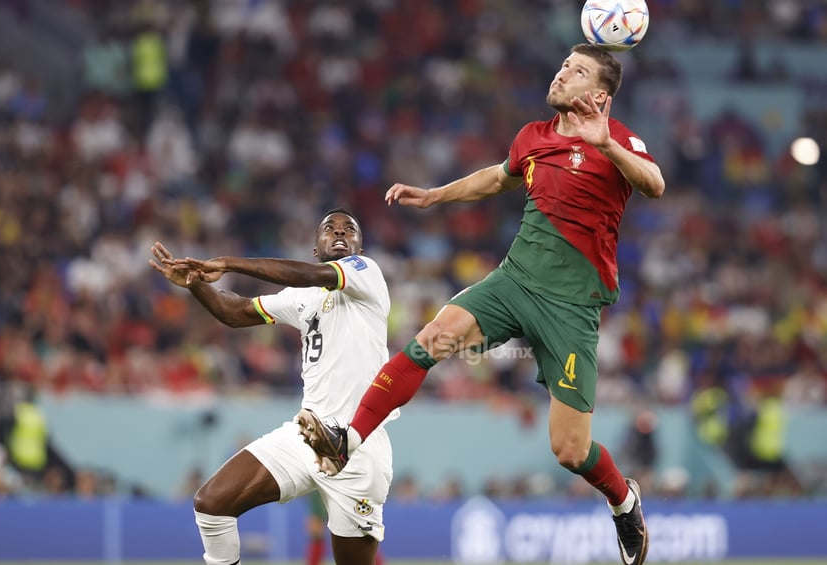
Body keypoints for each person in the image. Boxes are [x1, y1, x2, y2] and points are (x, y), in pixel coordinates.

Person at [298, 44, 665, 565]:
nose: (562, 72)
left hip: (571, 308)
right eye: (563, 63)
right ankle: (348, 438)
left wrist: (607, 144)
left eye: (577, 70)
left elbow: (654, 184)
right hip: (513, 283)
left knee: (570, 451)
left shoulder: (618, 139)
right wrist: (433, 195)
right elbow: (497, 177)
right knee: (432, 338)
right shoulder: (533, 137)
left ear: (599, 95)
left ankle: (623, 500)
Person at [149, 209, 396, 565]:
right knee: (211, 505)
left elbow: (310, 275)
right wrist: (197, 284)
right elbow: (233, 312)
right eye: (330, 228)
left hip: (357, 447)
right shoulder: (303, 298)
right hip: (306, 435)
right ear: (316, 246)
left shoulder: (365, 273)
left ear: (360, 245)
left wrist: (228, 264)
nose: (340, 233)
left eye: (349, 230)